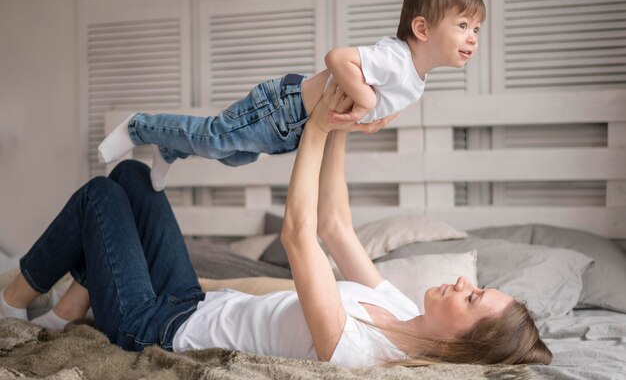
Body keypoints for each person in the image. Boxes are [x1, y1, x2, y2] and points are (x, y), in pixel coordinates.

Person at [0, 83, 552, 368]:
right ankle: (70, 309)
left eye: (474, 297)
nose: (463, 284)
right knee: (131, 176)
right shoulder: (402, 310)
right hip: (188, 301)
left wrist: (313, 127)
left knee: (101, 195)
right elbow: (335, 225)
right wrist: (342, 124)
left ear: (462, 344)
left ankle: (13, 301)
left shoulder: (358, 353)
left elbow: (299, 233)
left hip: (154, 328)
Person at [97, 0, 485, 191]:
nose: (473, 37)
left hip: (294, 131)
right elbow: (337, 58)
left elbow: (392, 103)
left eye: (477, 29)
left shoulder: (417, 80)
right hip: (282, 107)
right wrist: (365, 101)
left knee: (233, 156)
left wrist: (378, 120)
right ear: (421, 28)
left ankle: (171, 150)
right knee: (216, 137)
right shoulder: (396, 57)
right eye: (464, 25)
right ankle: (139, 126)